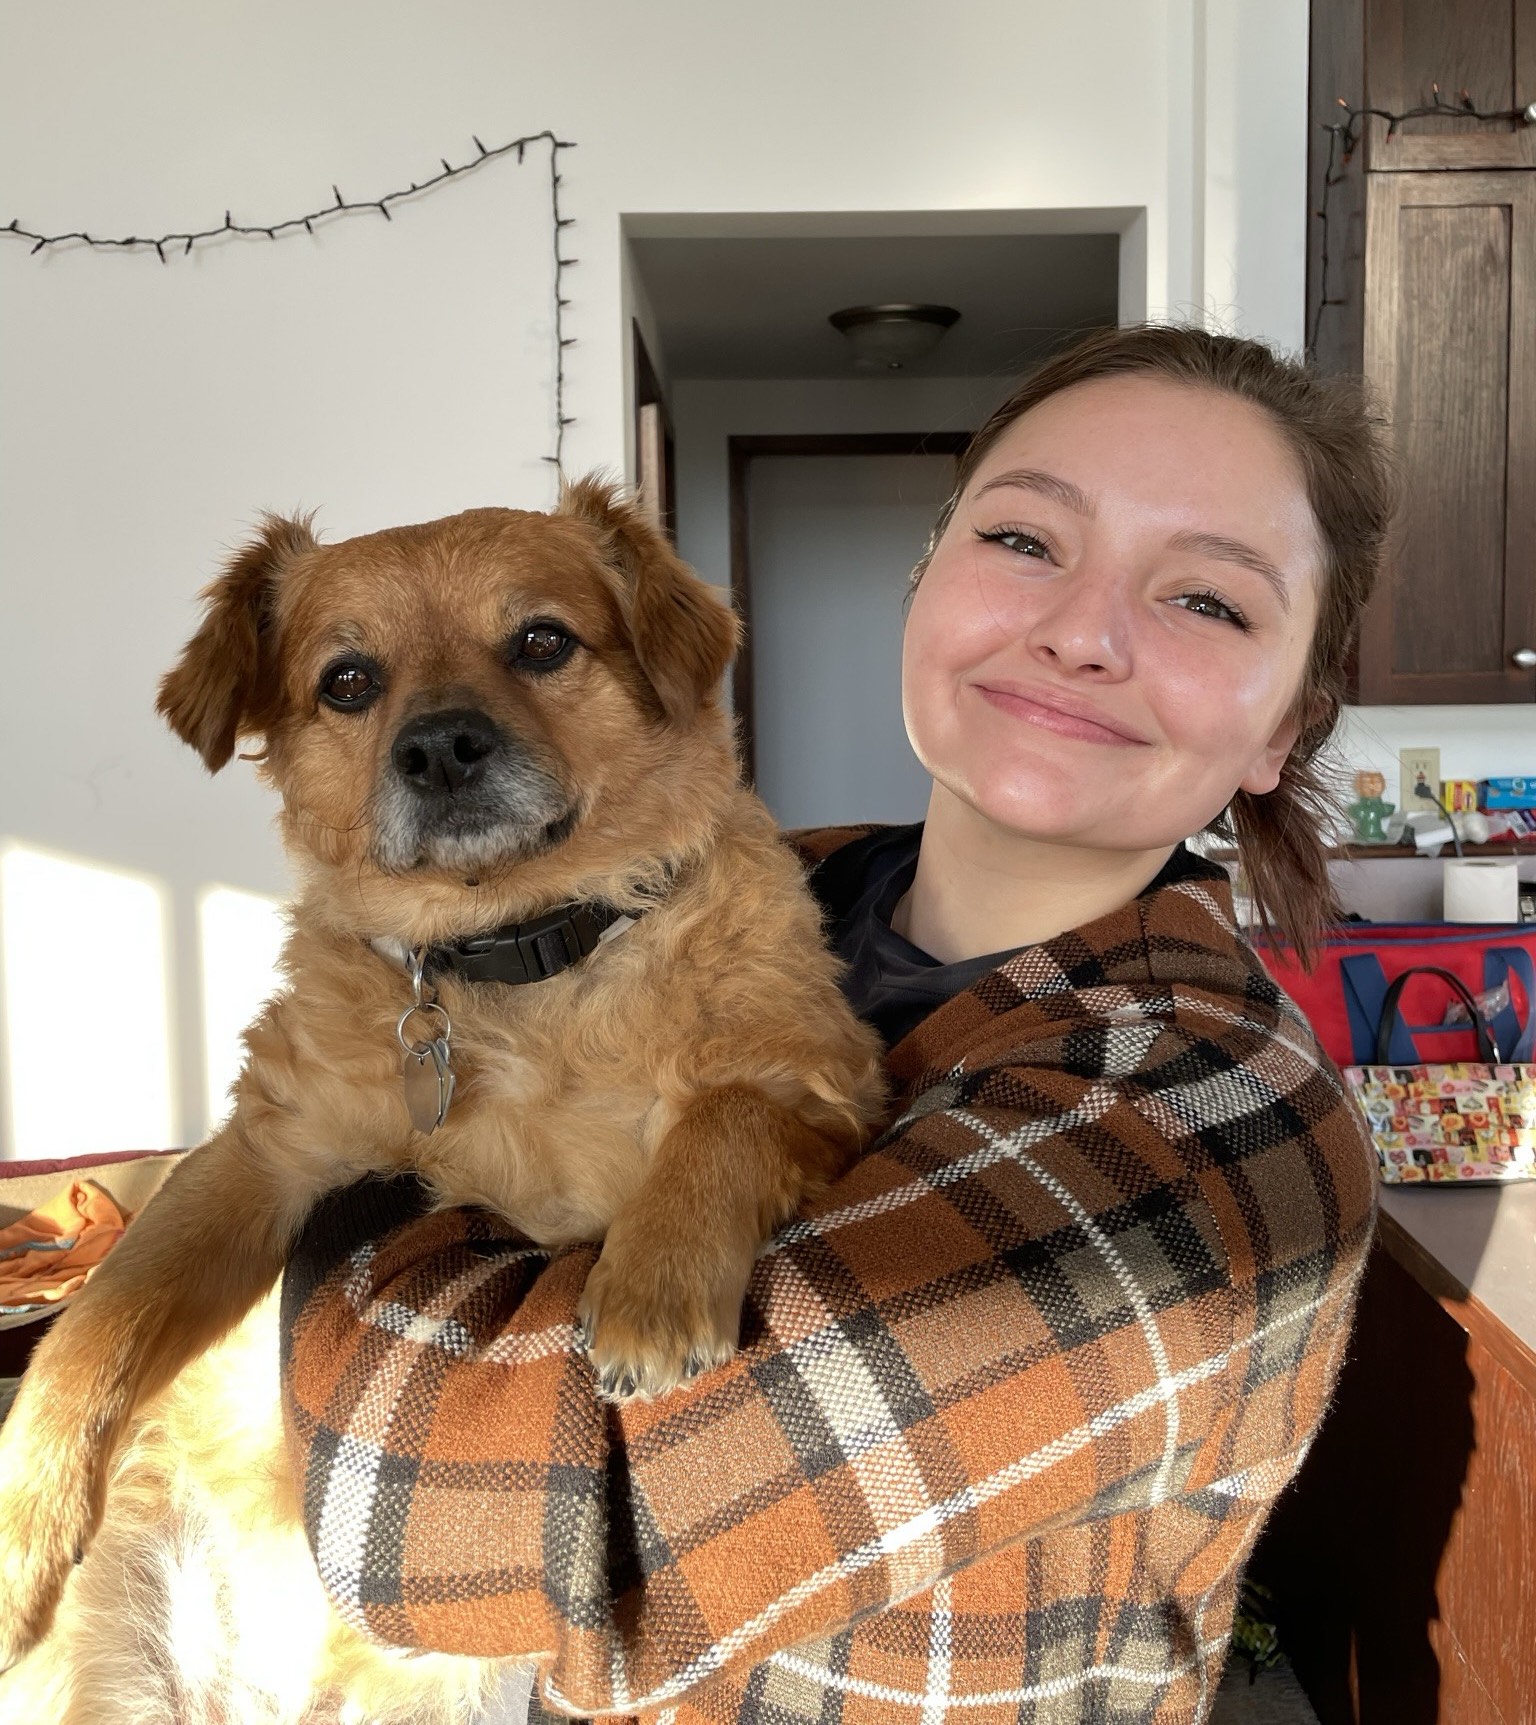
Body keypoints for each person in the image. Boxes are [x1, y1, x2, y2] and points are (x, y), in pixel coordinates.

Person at [281, 324, 1391, 1724]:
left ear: (1288, 723)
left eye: (1211, 603)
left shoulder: (1206, 1121)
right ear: (928, 574)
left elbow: (418, 1515)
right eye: (1029, 542)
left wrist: (328, 1133)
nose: (1081, 631)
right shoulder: (767, 885)